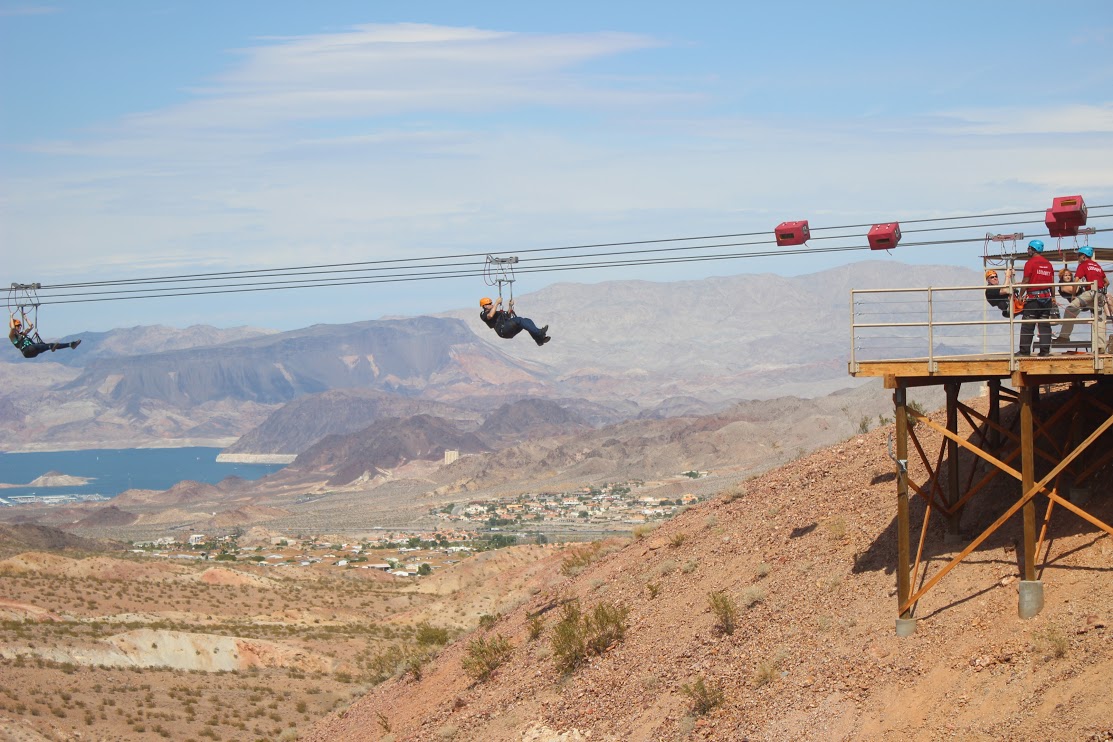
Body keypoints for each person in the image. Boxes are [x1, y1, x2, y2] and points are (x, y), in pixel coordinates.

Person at [1053, 245, 1107, 351]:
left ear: (1083, 256)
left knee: (1070, 309)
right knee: (1099, 319)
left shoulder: (1083, 265)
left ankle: (1064, 337)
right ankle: (1101, 346)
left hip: (1090, 293)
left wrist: (1073, 295)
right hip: (1100, 294)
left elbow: (1076, 281)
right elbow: (1107, 282)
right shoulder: (1097, 266)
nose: (1078, 258)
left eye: (1078, 255)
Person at [1017, 239, 1055, 357]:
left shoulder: (1030, 263)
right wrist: (1053, 296)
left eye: (1029, 248)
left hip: (1033, 299)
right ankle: (1045, 351)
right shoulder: (1048, 264)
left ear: (1033, 249)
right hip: (1046, 298)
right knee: (1044, 326)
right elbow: (1052, 282)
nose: (1027, 250)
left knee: (1028, 326)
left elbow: (1026, 280)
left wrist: (1020, 295)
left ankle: (1024, 352)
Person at [478, 297, 550, 346]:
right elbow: (490, 316)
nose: (492, 304)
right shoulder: (483, 314)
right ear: (485, 306)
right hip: (502, 330)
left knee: (527, 321)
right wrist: (496, 303)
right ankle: (539, 333)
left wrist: (510, 306)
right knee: (519, 320)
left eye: (491, 303)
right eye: (490, 304)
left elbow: (508, 315)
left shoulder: (497, 313)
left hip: (508, 329)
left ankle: (539, 340)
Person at [8, 316, 81, 358]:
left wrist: (25, 317)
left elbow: (31, 326)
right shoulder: (13, 337)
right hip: (27, 351)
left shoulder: (23, 334)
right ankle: (50, 347)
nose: (20, 327)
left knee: (51, 345)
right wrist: (11, 316)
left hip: (34, 350)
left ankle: (71, 344)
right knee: (38, 346)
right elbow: (13, 328)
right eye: (18, 326)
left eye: (20, 325)